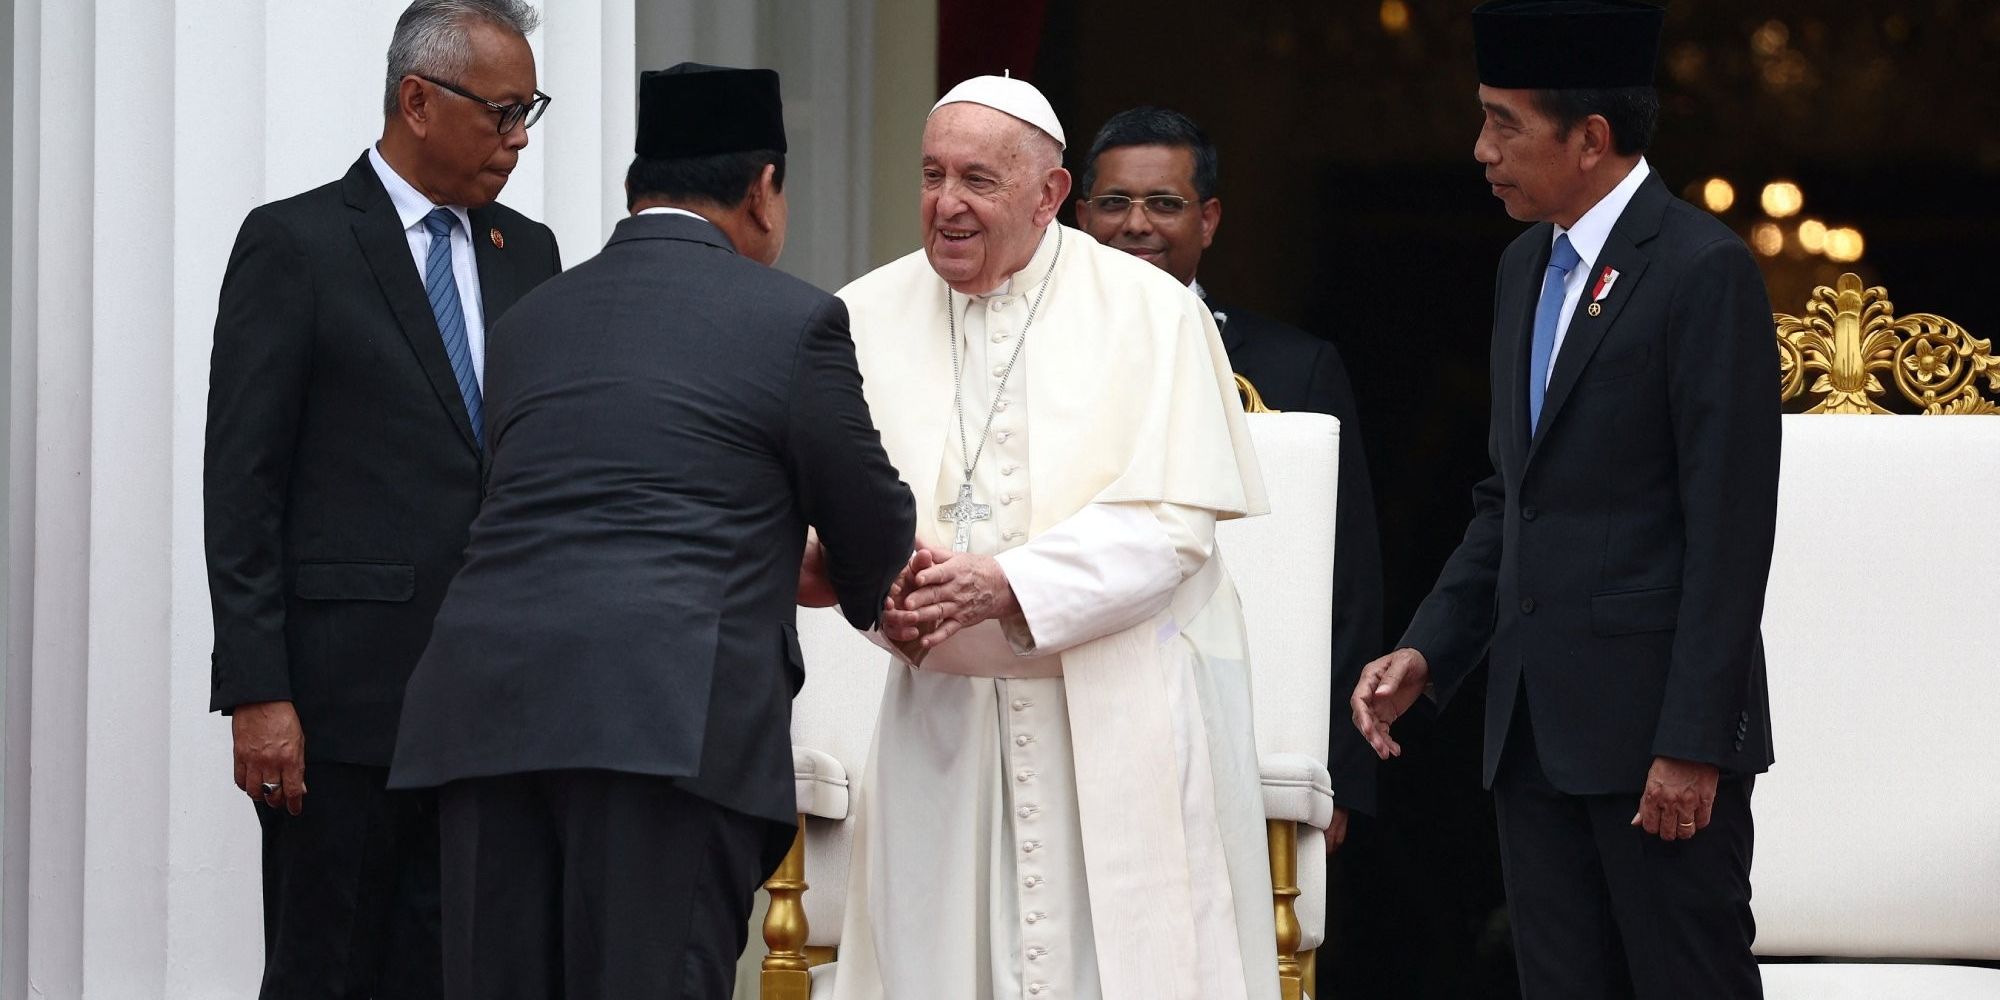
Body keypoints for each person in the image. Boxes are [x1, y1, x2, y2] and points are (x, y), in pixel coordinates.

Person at [386, 62, 915, 1000]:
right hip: (662, 722)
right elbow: (873, 523)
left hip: (484, 720)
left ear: (637, 190)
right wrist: (843, 577)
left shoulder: (528, 322)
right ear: (763, 191)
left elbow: (563, 497)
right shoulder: (793, 321)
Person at [1351, 2, 1781, 997]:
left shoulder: (1700, 270)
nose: (1479, 150)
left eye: (1503, 123)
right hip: (1531, 731)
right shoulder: (1521, 266)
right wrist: (1429, 645)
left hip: (1653, 751)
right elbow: (1512, 499)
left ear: (1588, 138)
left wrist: (1688, 743)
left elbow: (1728, 531)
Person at [831, 75, 1277, 1000]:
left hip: (1116, 717)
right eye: (931, 174)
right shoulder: (859, 316)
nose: (946, 204)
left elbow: (1172, 532)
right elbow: (835, 522)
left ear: (1049, 194)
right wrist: (878, 599)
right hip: (940, 720)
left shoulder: (1154, 312)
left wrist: (1008, 584)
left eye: (978, 181)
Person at [203, 1, 558, 994]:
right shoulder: (297, 245)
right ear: (416, 100)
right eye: (501, 113)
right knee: (330, 970)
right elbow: (242, 484)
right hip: (340, 712)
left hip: (493, 707)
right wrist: (258, 690)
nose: (519, 138)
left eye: (530, 111)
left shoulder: (527, 253)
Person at [1074, 105, 1385, 852]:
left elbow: (1346, 579)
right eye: (1113, 203)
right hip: (1072, 723)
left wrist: (1332, 770)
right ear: (1079, 216)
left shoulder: (1293, 369)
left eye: (1164, 204)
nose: (1135, 223)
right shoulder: (1023, 358)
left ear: (1209, 219)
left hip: (1246, 732)